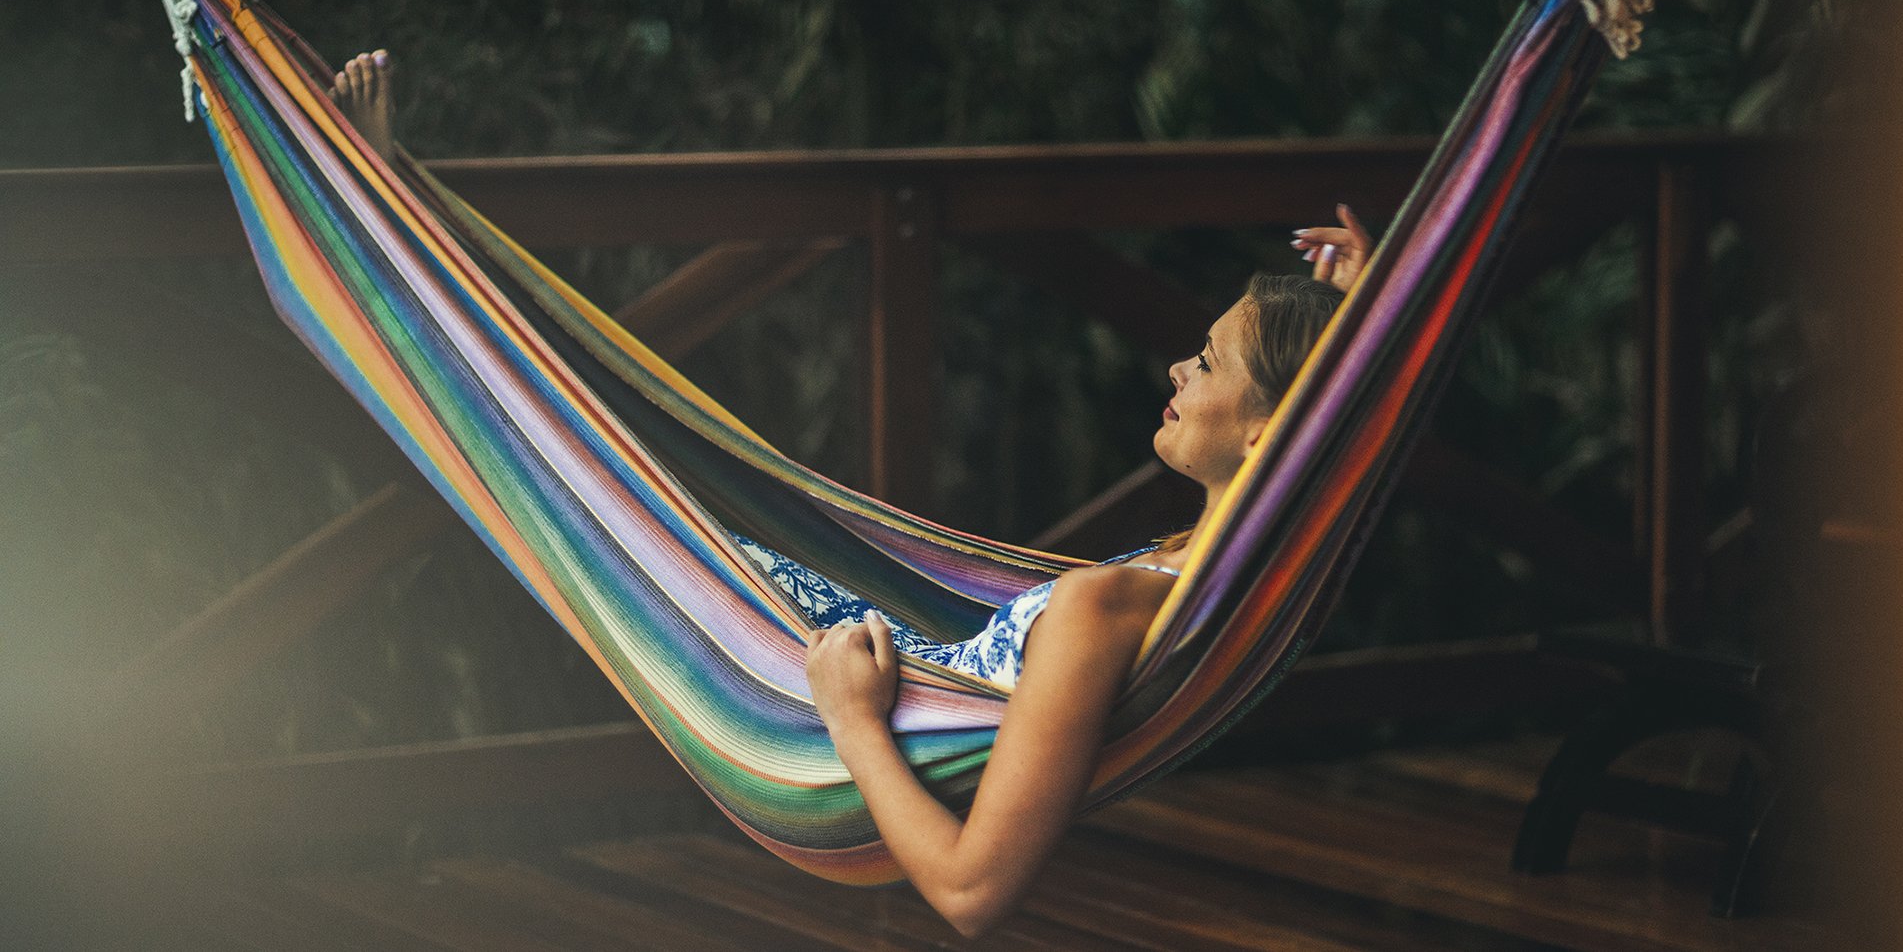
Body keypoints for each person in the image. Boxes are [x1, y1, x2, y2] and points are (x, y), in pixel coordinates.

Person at [330, 50, 1375, 936]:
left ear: (1266, 427)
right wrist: (1366, 320)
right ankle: (402, 228)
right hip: (795, 614)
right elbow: (1336, 453)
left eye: (1205, 362)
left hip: (819, 671)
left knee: (555, 460)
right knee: (572, 446)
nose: (1174, 375)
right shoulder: (1202, 569)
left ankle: (389, 226)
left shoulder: (1113, 608)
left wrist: (852, 721)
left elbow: (972, 890)